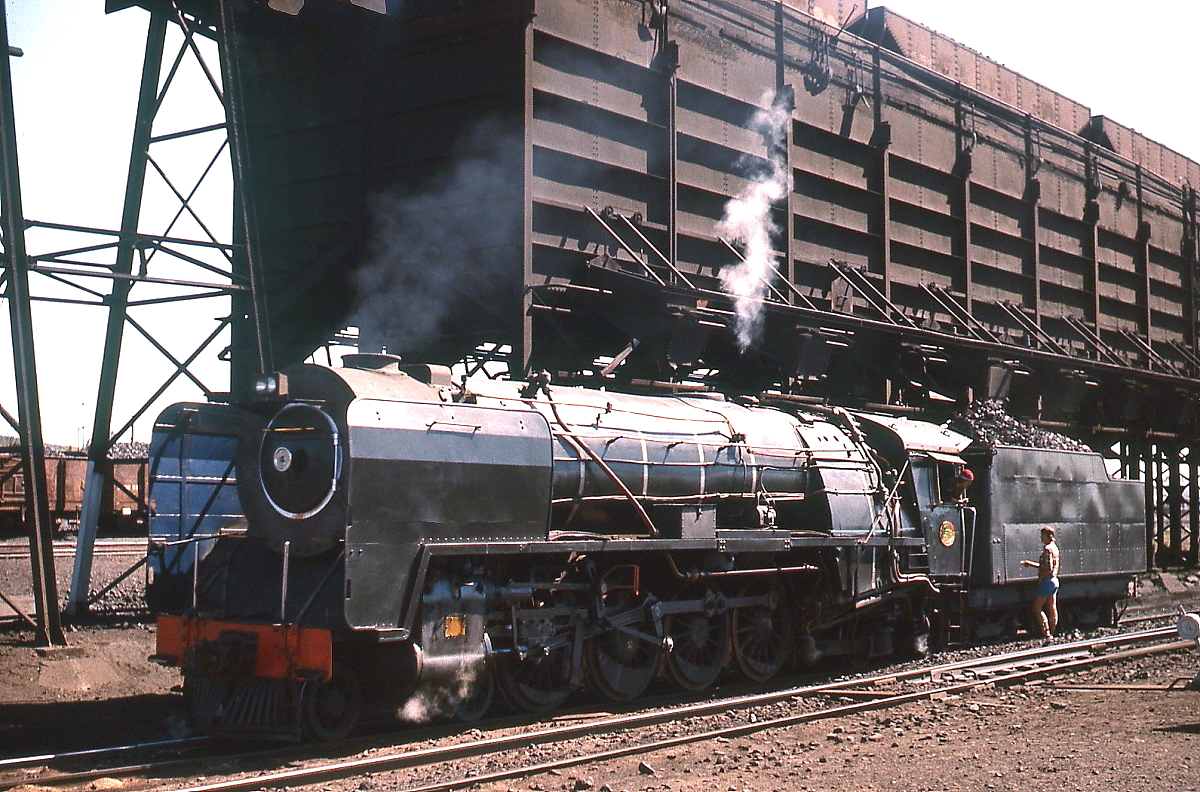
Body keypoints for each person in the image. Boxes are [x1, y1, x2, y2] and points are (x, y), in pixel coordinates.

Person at [1021, 526, 1060, 639]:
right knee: (1052, 608)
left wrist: (1040, 578)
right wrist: (1030, 564)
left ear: (1048, 536)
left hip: (1047, 581)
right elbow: (1048, 566)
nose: (1041, 538)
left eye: (1042, 535)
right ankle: (1052, 632)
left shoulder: (1047, 549)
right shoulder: (1055, 548)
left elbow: (1048, 568)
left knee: (1037, 608)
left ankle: (1046, 633)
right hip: (1054, 581)